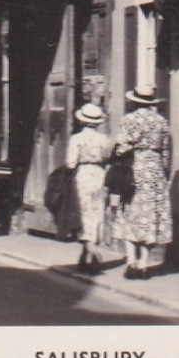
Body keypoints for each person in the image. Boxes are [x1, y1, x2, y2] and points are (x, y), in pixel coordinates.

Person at [112, 81, 173, 280]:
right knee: (150, 215)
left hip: (134, 169)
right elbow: (166, 152)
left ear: (134, 102)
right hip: (154, 171)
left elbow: (121, 148)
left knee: (130, 213)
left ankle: (131, 262)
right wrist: (162, 171)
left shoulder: (128, 120)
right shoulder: (161, 121)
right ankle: (145, 264)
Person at [66, 104, 113, 273]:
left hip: (83, 175)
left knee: (83, 214)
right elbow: (108, 158)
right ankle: (86, 257)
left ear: (81, 121)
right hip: (99, 175)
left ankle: (91, 253)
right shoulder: (104, 139)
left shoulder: (76, 139)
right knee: (97, 213)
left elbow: (71, 163)